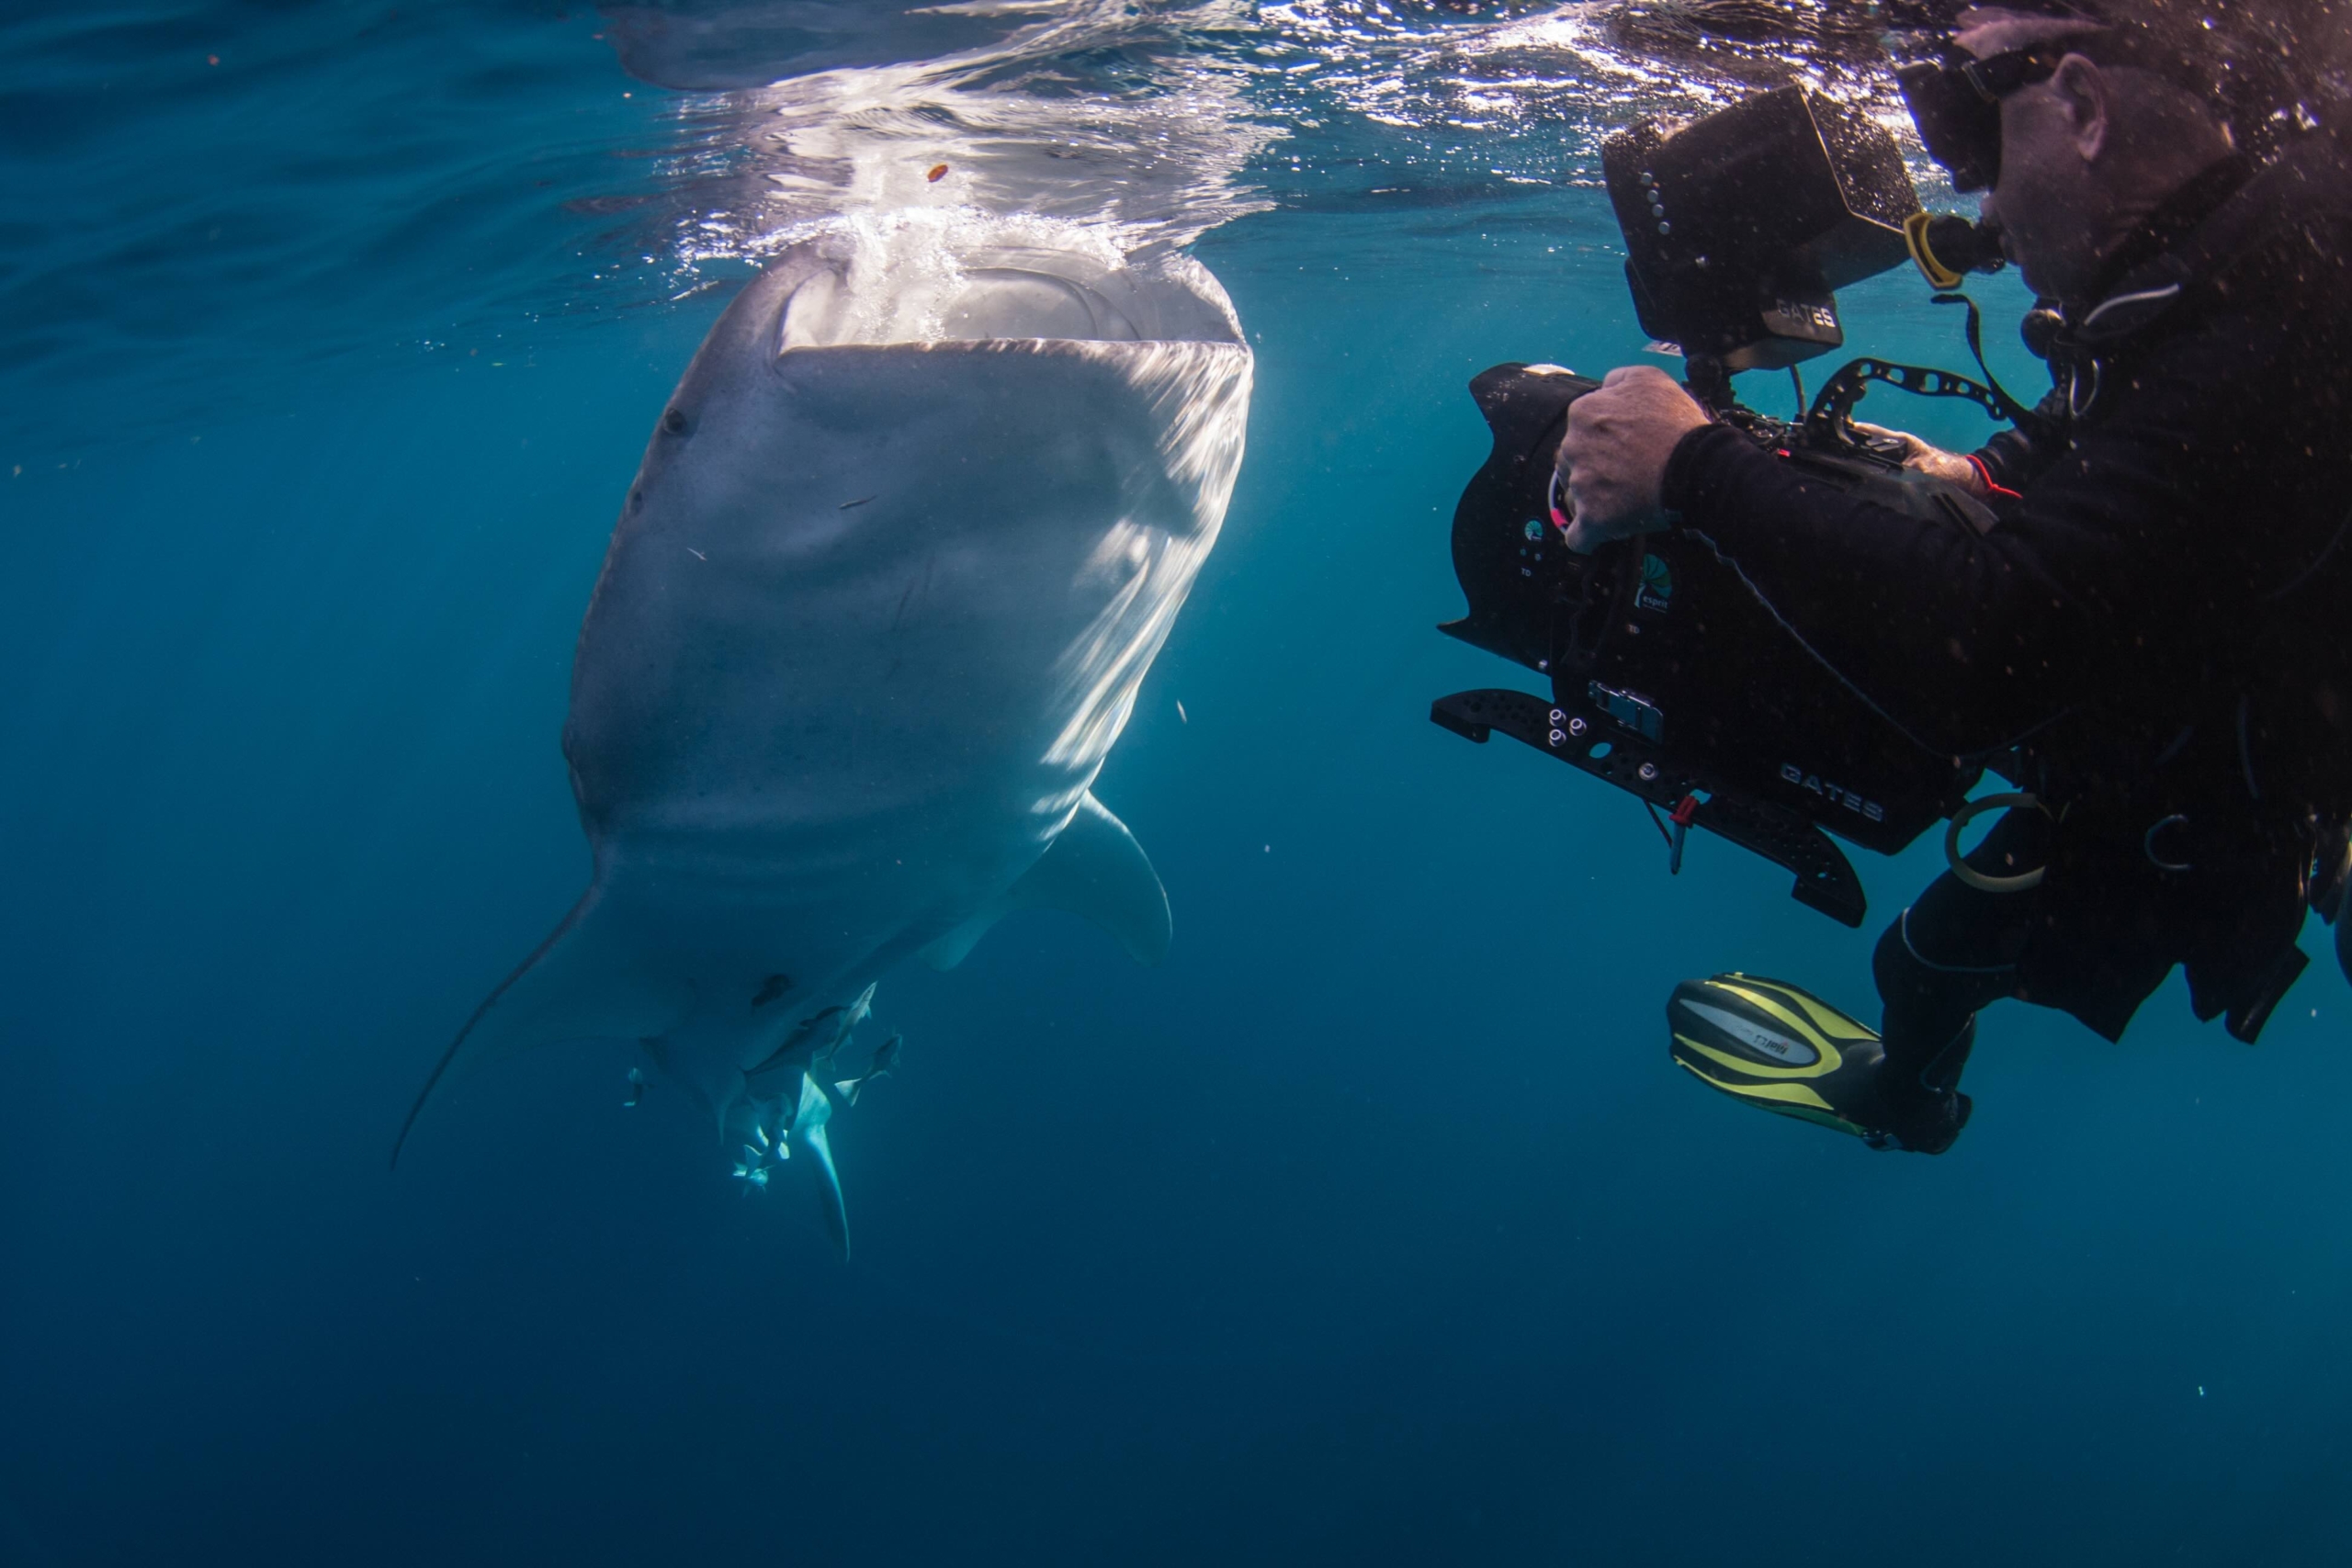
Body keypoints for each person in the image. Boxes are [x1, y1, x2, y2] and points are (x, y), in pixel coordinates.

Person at [1559, 0, 2352, 1153]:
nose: (1973, 204)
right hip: (2225, 697)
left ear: (2079, 105)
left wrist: (1695, 468)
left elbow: (1994, 656)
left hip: (2249, 739)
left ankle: (1906, 1099)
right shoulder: (2240, 247)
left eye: (1970, 140)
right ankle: (1905, 1094)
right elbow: (2146, 432)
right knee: (1929, 953)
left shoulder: (2287, 296)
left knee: (1931, 952)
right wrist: (1975, 473)